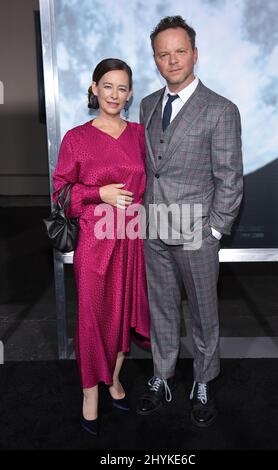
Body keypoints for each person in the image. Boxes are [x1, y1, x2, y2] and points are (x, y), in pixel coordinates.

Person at [136, 16, 243, 427]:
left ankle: (203, 380)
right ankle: (162, 377)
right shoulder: (147, 105)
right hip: (153, 228)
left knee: (203, 313)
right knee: (161, 310)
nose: (172, 59)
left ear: (195, 54)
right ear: (155, 60)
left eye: (180, 51)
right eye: (163, 54)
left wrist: (214, 230)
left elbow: (229, 178)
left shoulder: (220, 109)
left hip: (198, 233)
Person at [53, 58, 150, 436]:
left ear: (129, 94)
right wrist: (99, 193)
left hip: (133, 241)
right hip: (95, 242)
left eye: (123, 88)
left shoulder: (140, 134)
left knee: (123, 312)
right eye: (107, 85)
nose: (115, 94)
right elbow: (60, 193)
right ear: (94, 89)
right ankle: (90, 392)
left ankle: (113, 378)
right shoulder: (76, 138)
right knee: (93, 316)